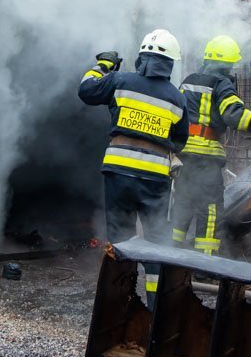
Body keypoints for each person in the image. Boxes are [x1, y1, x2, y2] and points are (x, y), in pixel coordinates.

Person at [79, 28, 188, 308]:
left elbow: (86, 89)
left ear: (142, 57)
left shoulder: (119, 80)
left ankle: (122, 305)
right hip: (154, 180)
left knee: (120, 241)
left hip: (118, 175)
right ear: (170, 64)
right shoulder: (177, 99)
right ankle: (154, 307)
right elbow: (179, 140)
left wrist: (103, 64)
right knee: (155, 242)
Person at [171, 35, 251, 256]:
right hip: (205, 160)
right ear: (226, 64)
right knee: (209, 211)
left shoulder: (188, 81)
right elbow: (235, 117)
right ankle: (203, 262)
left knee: (182, 205)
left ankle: (168, 257)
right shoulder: (221, 84)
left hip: (183, 157)